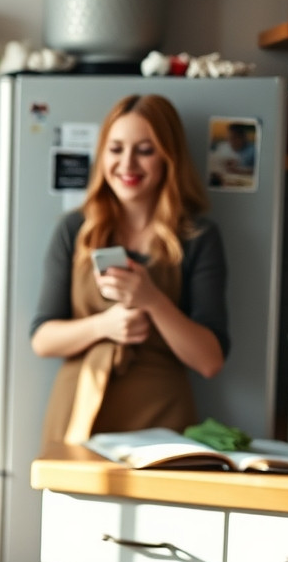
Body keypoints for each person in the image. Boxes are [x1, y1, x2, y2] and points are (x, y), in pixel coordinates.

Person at [30, 94, 229, 444]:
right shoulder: (75, 230)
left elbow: (210, 361)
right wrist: (104, 326)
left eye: (145, 150)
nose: (128, 164)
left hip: (163, 424)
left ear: (169, 157)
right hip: (79, 412)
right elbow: (43, 339)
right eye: (116, 148)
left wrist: (152, 300)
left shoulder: (198, 237)